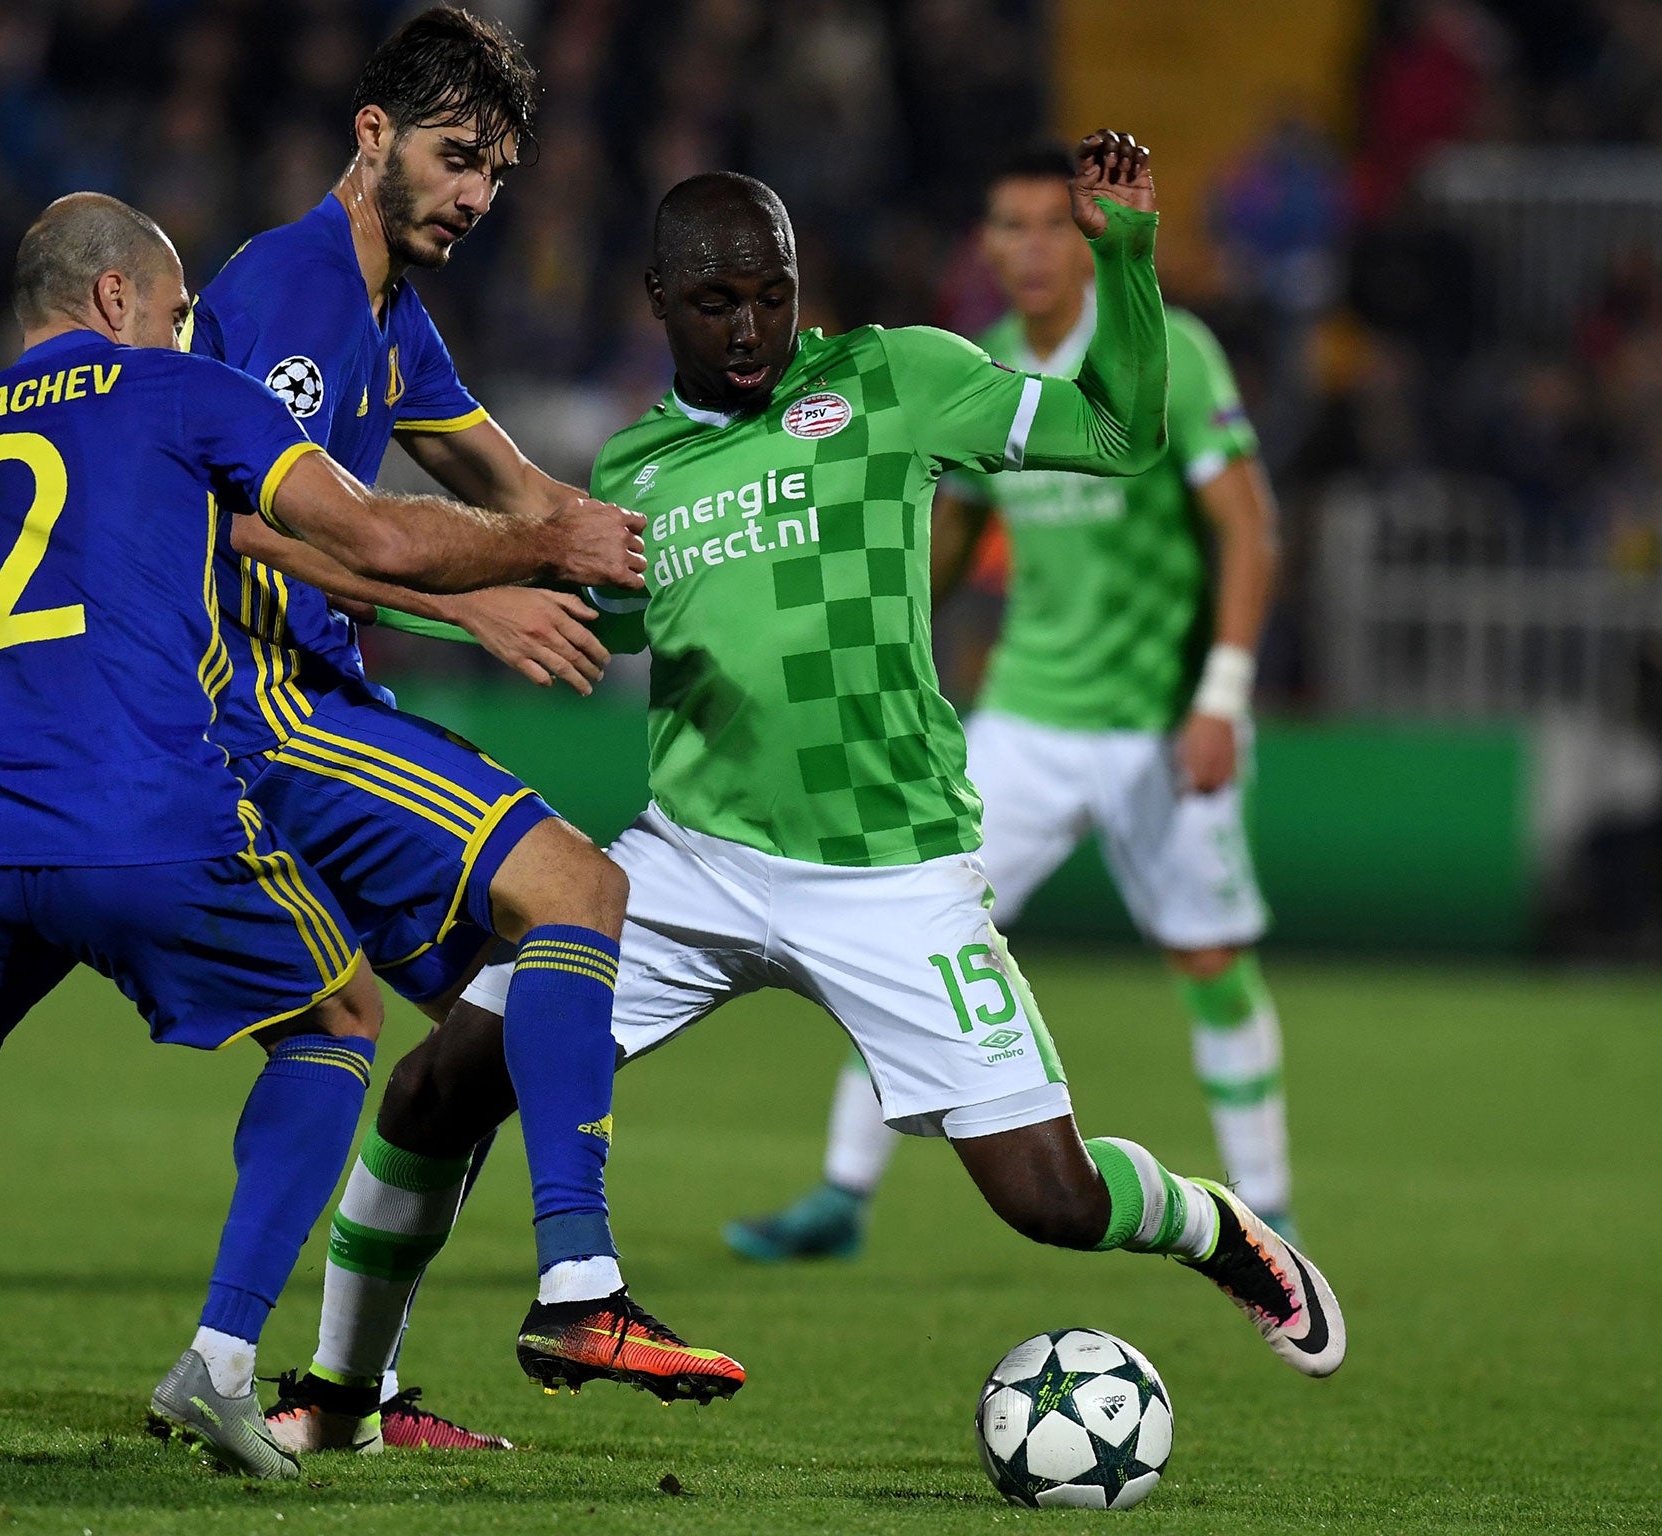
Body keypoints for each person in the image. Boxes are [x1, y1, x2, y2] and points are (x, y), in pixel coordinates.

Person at [269, 135, 1345, 1456]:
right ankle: (339, 1398)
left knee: (1049, 1199)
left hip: (892, 871)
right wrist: (354, 581)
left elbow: (1119, 433)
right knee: (437, 1088)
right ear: (657, 300)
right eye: (716, 302)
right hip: (693, 862)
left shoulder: (896, 378)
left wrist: (1127, 263)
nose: (750, 327)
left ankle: (1217, 1226)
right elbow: (547, 610)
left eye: (772, 294)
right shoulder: (634, 473)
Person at [0, 193, 645, 1478]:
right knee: (335, 1024)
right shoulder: (180, 392)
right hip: (147, 809)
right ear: (112, 302)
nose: (183, 324)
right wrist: (537, 544)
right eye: (170, 304)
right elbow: (366, 535)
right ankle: (219, 1361)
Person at [185, 7, 735, 1449]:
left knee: (473, 1058)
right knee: (581, 888)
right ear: (370, 138)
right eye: (454, 157)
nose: (477, 196)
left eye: (494, 170)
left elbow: (530, 505)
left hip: (319, 695)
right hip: (258, 702)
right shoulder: (296, 287)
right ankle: (581, 1285)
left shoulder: (393, 319)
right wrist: (481, 607)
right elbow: (246, 524)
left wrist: (712, 515)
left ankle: (338, 1401)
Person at [728, 142, 1294, 1264]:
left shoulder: (1167, 352)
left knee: (1208, 960)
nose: (1028, 248)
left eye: (1051, 225)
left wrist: (1222, 694)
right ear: (982, 245)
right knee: (909, 929)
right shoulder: (985, 364)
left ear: (1089, 239)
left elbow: (1247, 527)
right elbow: (956, 531)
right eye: (1007, 226)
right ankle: (841, 1195)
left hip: (1160, 721)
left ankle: (1265, 1208)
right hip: (1029, 718)